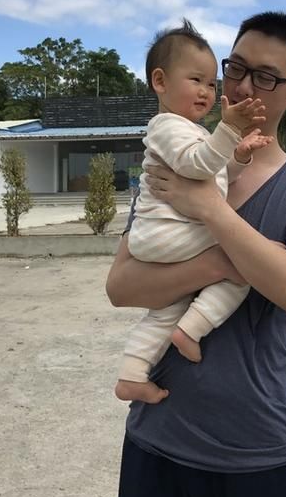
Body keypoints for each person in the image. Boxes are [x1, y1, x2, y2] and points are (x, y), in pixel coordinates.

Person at [106, 11, 286, 497]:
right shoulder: (174, 166)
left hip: (255, 449)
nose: (240, 86)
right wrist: (218, 259)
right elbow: (122, 286)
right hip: (157, 439)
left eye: (265, 76)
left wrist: (210, 210)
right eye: (235, 68)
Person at [115, 20, 273, 405]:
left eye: (212, 84)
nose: (206, 91)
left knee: (165, 309)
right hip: (167, 233)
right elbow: (198, 166)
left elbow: (214, 175)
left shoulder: (193, 131)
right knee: (244, 262)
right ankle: (192, 330)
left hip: (164, 237)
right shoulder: (167, 127)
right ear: (160, 81)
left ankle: (132, 375)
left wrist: (237, 156)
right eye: (196, 80)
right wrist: (229, 131)